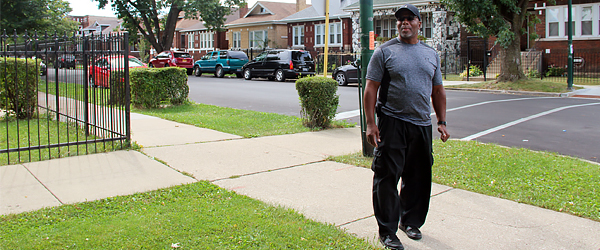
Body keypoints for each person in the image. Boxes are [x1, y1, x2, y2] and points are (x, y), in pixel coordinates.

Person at [363, 4, 450, 250]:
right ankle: (387, 231)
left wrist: (441, 122)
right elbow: (371, 88)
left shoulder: (430, 54)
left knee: (419, 177)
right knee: (387, 177)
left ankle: (410, 222)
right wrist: (371, 124)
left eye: (410, 19)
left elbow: (438, 90)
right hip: (392, 123)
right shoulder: (385, 51)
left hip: (421, 124)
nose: (404, 23)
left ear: (419, 23)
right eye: (400, 19)